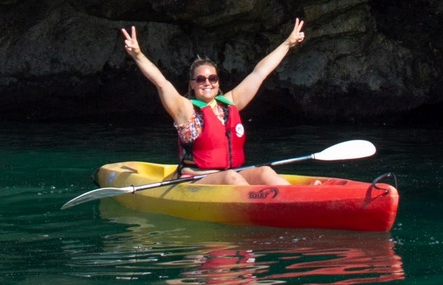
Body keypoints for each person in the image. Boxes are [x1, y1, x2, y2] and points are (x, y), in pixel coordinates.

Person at [121, 21, 306, 186]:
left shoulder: (230, 103)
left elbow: (260, 72)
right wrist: (137, 55)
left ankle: (295, 199)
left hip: (231, 175)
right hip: (197, 180)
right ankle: (258, 205)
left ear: (218, 81)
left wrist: (287, 44)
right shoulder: (185, 110)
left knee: (265, 172)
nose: (207, 83)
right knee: (231, 178)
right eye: (200, 79)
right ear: (192, 84)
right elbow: (161, 82)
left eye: (212, 78)